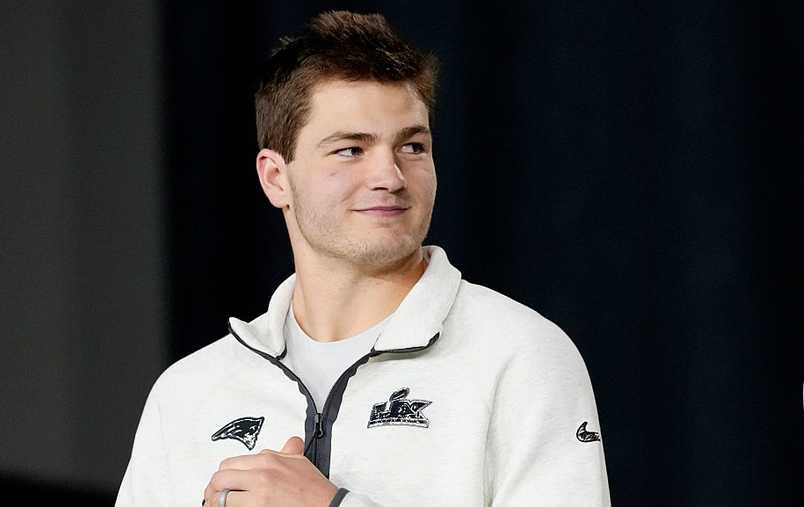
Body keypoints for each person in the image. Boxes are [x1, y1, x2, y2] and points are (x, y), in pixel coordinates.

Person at [116, 10, 611, 507]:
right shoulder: (186, 394)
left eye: (412, 146)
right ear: (275, 178)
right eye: (351, 149)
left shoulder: (521, 356)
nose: (390, 176)